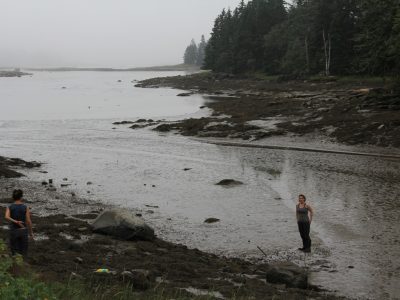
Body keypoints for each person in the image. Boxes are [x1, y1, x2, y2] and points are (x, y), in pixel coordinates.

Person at [5, 189, 34, 256]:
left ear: (13, 197)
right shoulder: (25, 207)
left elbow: (6, 216)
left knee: (14, 252)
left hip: (14, 231)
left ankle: (16, 265)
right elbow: (28, 221)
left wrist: (16, 221)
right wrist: (31, 233)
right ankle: (22, 265)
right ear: (21, 197)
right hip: (23, 231)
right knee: (23, 252)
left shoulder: (10, 207)